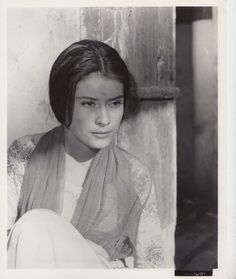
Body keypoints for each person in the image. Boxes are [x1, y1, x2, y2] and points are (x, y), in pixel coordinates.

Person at [7, 40, 164, 269]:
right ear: (63, 103)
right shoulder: (25, 155)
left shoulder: (135, 175)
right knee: (32, 226)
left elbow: (152, 266)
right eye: (89, 104)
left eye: (114, 103)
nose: (104, 119)